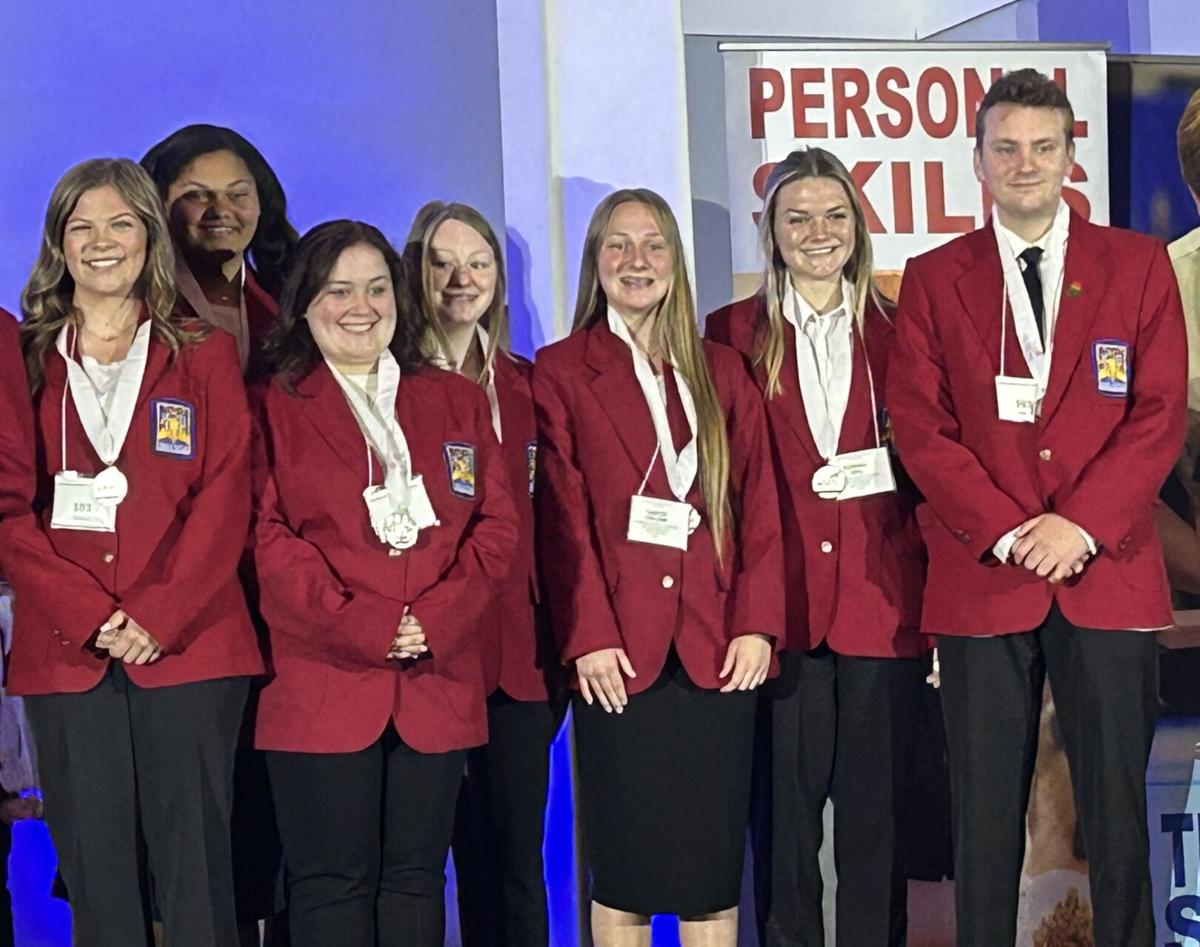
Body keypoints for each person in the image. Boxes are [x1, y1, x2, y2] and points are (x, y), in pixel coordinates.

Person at [887, 69, 1186, 947]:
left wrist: (1078, 524)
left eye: (1043, 147)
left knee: (1115, 818)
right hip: (987, 571)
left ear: (1069, 156)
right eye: (1007, 148)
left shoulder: (1135, 266)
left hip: (1108, 568)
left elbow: (1158, 411)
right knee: (984, 817)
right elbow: (922, 425)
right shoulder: (936, 279)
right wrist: (1017, 529)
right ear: (977, 160)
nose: (1026, 164)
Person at [0, 158, 264, 946]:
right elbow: (9, 506)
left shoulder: (204, 353)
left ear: (150, 235)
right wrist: (89, 611)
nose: (101, 242)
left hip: (189, 643)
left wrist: (155, 611)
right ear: (59, 244)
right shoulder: (27, 357)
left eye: (120, 223)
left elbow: (225, 497)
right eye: (81, 226)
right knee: (96, 873)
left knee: (197, 875)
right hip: (64, 646)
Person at [249, 219, 519, 947]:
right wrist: (366, 623)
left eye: (375, 288)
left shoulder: (452, 400)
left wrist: (437, 618)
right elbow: (267, 539)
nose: (359, 306)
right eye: (338, 290)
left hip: (436, 676)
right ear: (304, 301)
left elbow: (496, 527)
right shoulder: (274, 403)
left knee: (415, 881)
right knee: (330, 886)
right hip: (322, 679)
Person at [533, 188, 783, 947]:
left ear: (676, 262)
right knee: (626, 873)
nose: (636, 261)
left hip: (717, 651)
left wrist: (759, 624)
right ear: (595, 261)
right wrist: (586, 635)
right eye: (619, 244)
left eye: (654, 245)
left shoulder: (722, 370)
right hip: (619, 657)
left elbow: (759, 505)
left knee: (710, 876)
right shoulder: (564, 370)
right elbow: (562, 521)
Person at [705, 147, 927, 946]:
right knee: (784, 831)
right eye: (797, 218)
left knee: (878, 827)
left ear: (859, 229)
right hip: (780, 616)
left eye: (835, 216)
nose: (818, 232)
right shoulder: (728, 335)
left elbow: (937, 467)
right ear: (770, 232)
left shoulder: (904, 332)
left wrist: (890, 461)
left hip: (883, 607)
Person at [404, 201, 560, 946]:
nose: (461, 279)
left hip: (520, 660)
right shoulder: (390, 388)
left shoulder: (529, 385)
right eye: (442, 262)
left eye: (479, 263)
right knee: (426, 859)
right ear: (415, 273)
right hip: (429, 650)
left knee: (517, 862)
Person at [142, 124, 298, 376]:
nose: (221, 210)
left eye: (237, 194)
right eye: (197, 195)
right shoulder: (135, 305)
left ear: (262, 203)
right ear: (157, 205)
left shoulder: (290, 306)